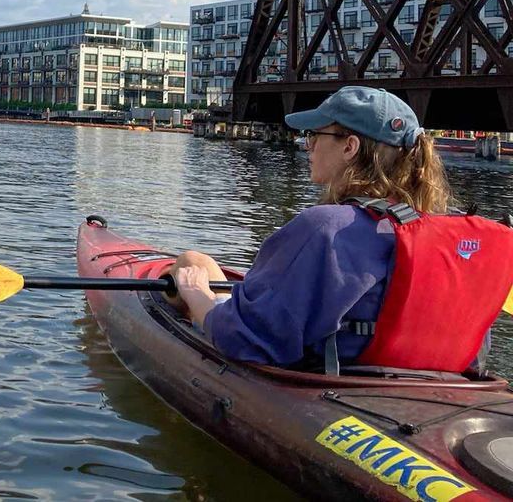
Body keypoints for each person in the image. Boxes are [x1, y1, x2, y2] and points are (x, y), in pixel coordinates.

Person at [170, 85, 513, 374]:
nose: (308, 145)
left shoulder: (325, 228)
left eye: (315, 135)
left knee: (191, 261)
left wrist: (196, 293)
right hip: (438, 389)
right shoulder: (448, 234)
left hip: (336, 388)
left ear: (350, 147)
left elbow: (245, 340)